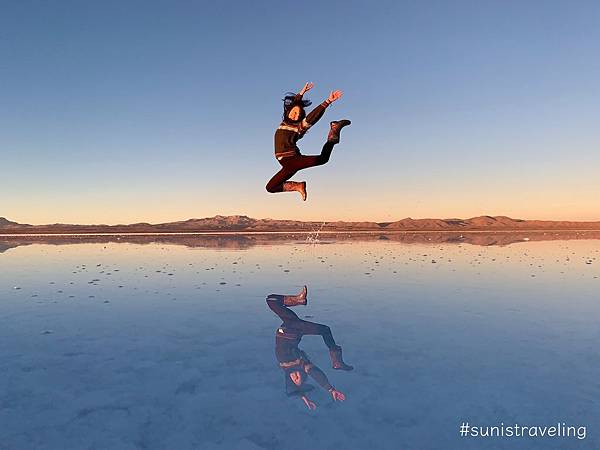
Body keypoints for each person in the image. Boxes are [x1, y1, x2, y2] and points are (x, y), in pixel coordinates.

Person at [266, 286, 353, 410]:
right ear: (303, 375)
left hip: (291, 327)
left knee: (271, 300)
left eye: (293, 379)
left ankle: (299, 300)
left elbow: (291, 386)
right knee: (325, 330)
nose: (295, 376)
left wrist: (302, 396)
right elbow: (315, 373)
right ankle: (336, 361)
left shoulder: (285, 363)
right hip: (294, 329)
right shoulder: (302, 365)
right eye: (299, 379)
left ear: (289, 378)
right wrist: (330, 389)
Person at [266, 82, 351, 201]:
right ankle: (298, 185)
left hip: (292, 160)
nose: (296, 116)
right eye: (294, 113)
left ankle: (334, 132)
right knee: (270, 187)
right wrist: (301, 93)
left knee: (323, 159)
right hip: (287, 164)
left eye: (298, 115)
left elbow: (312, 116)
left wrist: (327, 102)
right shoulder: (284, 123)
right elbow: (293, 104)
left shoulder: (298, 128)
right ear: (289, 112)